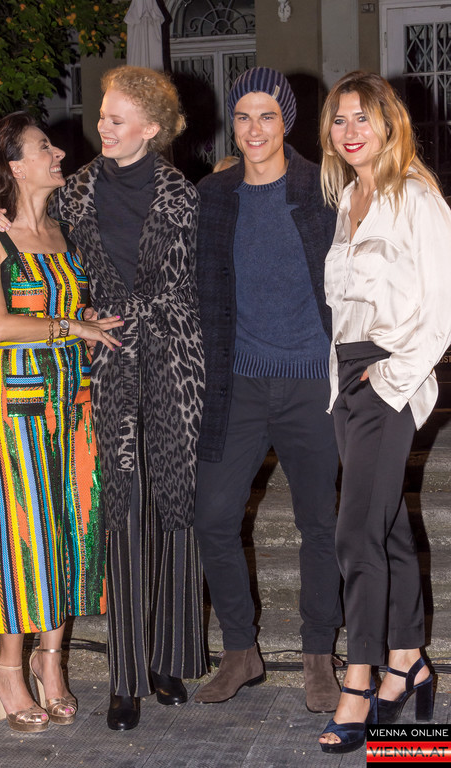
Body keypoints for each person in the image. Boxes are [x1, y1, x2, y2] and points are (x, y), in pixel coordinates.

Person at [49, 66, 207, 731]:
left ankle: (170, 658)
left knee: (175, 501)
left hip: (176, 357)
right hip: (111, 356)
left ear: (150, 127)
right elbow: (39, 249)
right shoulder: (73, 194)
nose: (102, 127)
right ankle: (126, 676)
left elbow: (201, 283)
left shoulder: (183, 195)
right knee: (124, 507)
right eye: (102, 116)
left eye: (116, 119)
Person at [193, 66, 343, 713]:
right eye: (243, 116)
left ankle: (318, 655)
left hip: (313, 382)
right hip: (240, 383)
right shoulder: (214, 194)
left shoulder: (324, 187)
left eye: (267, 115)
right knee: (213, 516)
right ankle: (240, 650)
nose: (254, 129)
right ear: (234, 122)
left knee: (320, 525)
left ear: (287, 121)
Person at [0, 112, 122, 732]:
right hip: (22, 400)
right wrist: (71, 326)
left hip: (77, 395)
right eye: (43, 147)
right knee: (27, 531)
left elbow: (78, 304)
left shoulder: (65, 231)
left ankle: (50, 662)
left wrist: (94, 324)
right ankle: (8, 665)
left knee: (73, 527)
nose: (59, 152)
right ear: (14, 166)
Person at [318, 71, 451, 754]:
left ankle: (359, 680)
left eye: (362, 118)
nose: (350, 131)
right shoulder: (348, 198)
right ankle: (408, 662)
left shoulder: (417, 198)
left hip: (390, 375)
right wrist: (345, 381)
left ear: (389, 123)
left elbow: (443, 310)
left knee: (355, 535)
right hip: (348, 377)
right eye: (340, 119)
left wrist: (392, 377)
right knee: (387, 526)